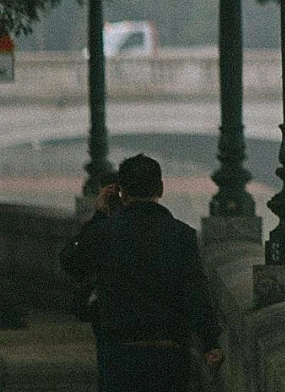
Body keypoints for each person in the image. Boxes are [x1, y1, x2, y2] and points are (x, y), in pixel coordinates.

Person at [59, 155, 222, 392]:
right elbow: (196, 291)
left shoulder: (105, 233)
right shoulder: (182, 235)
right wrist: (210, 343)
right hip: (170, 355)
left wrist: (98, 216)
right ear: (161, 188)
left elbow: (71, 263)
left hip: (120, 354)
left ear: (122, 192)